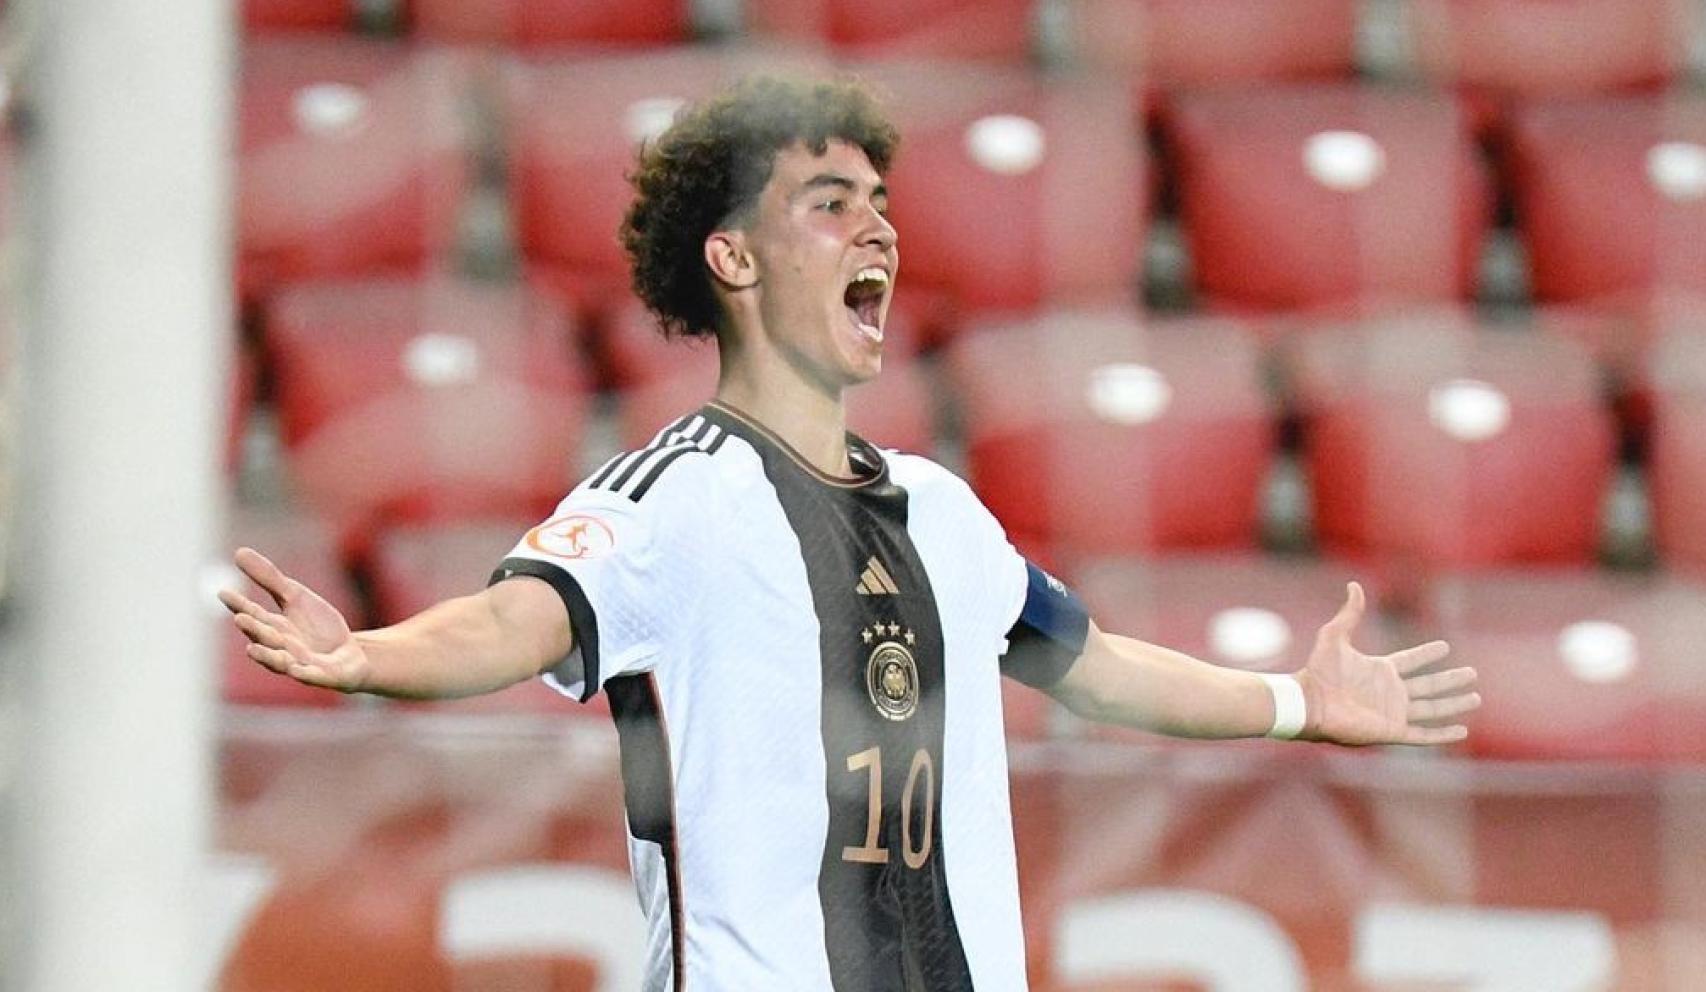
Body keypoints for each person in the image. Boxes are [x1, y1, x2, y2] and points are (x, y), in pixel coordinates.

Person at [219, 76, 1481, 991]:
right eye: (830, 205)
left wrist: (1289, 702)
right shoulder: (678, 493)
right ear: (732, 259)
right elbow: (519, 615)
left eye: (880, 203)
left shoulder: (942, 510)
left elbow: (1091, 663)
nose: (877, 229)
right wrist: (369, 653)